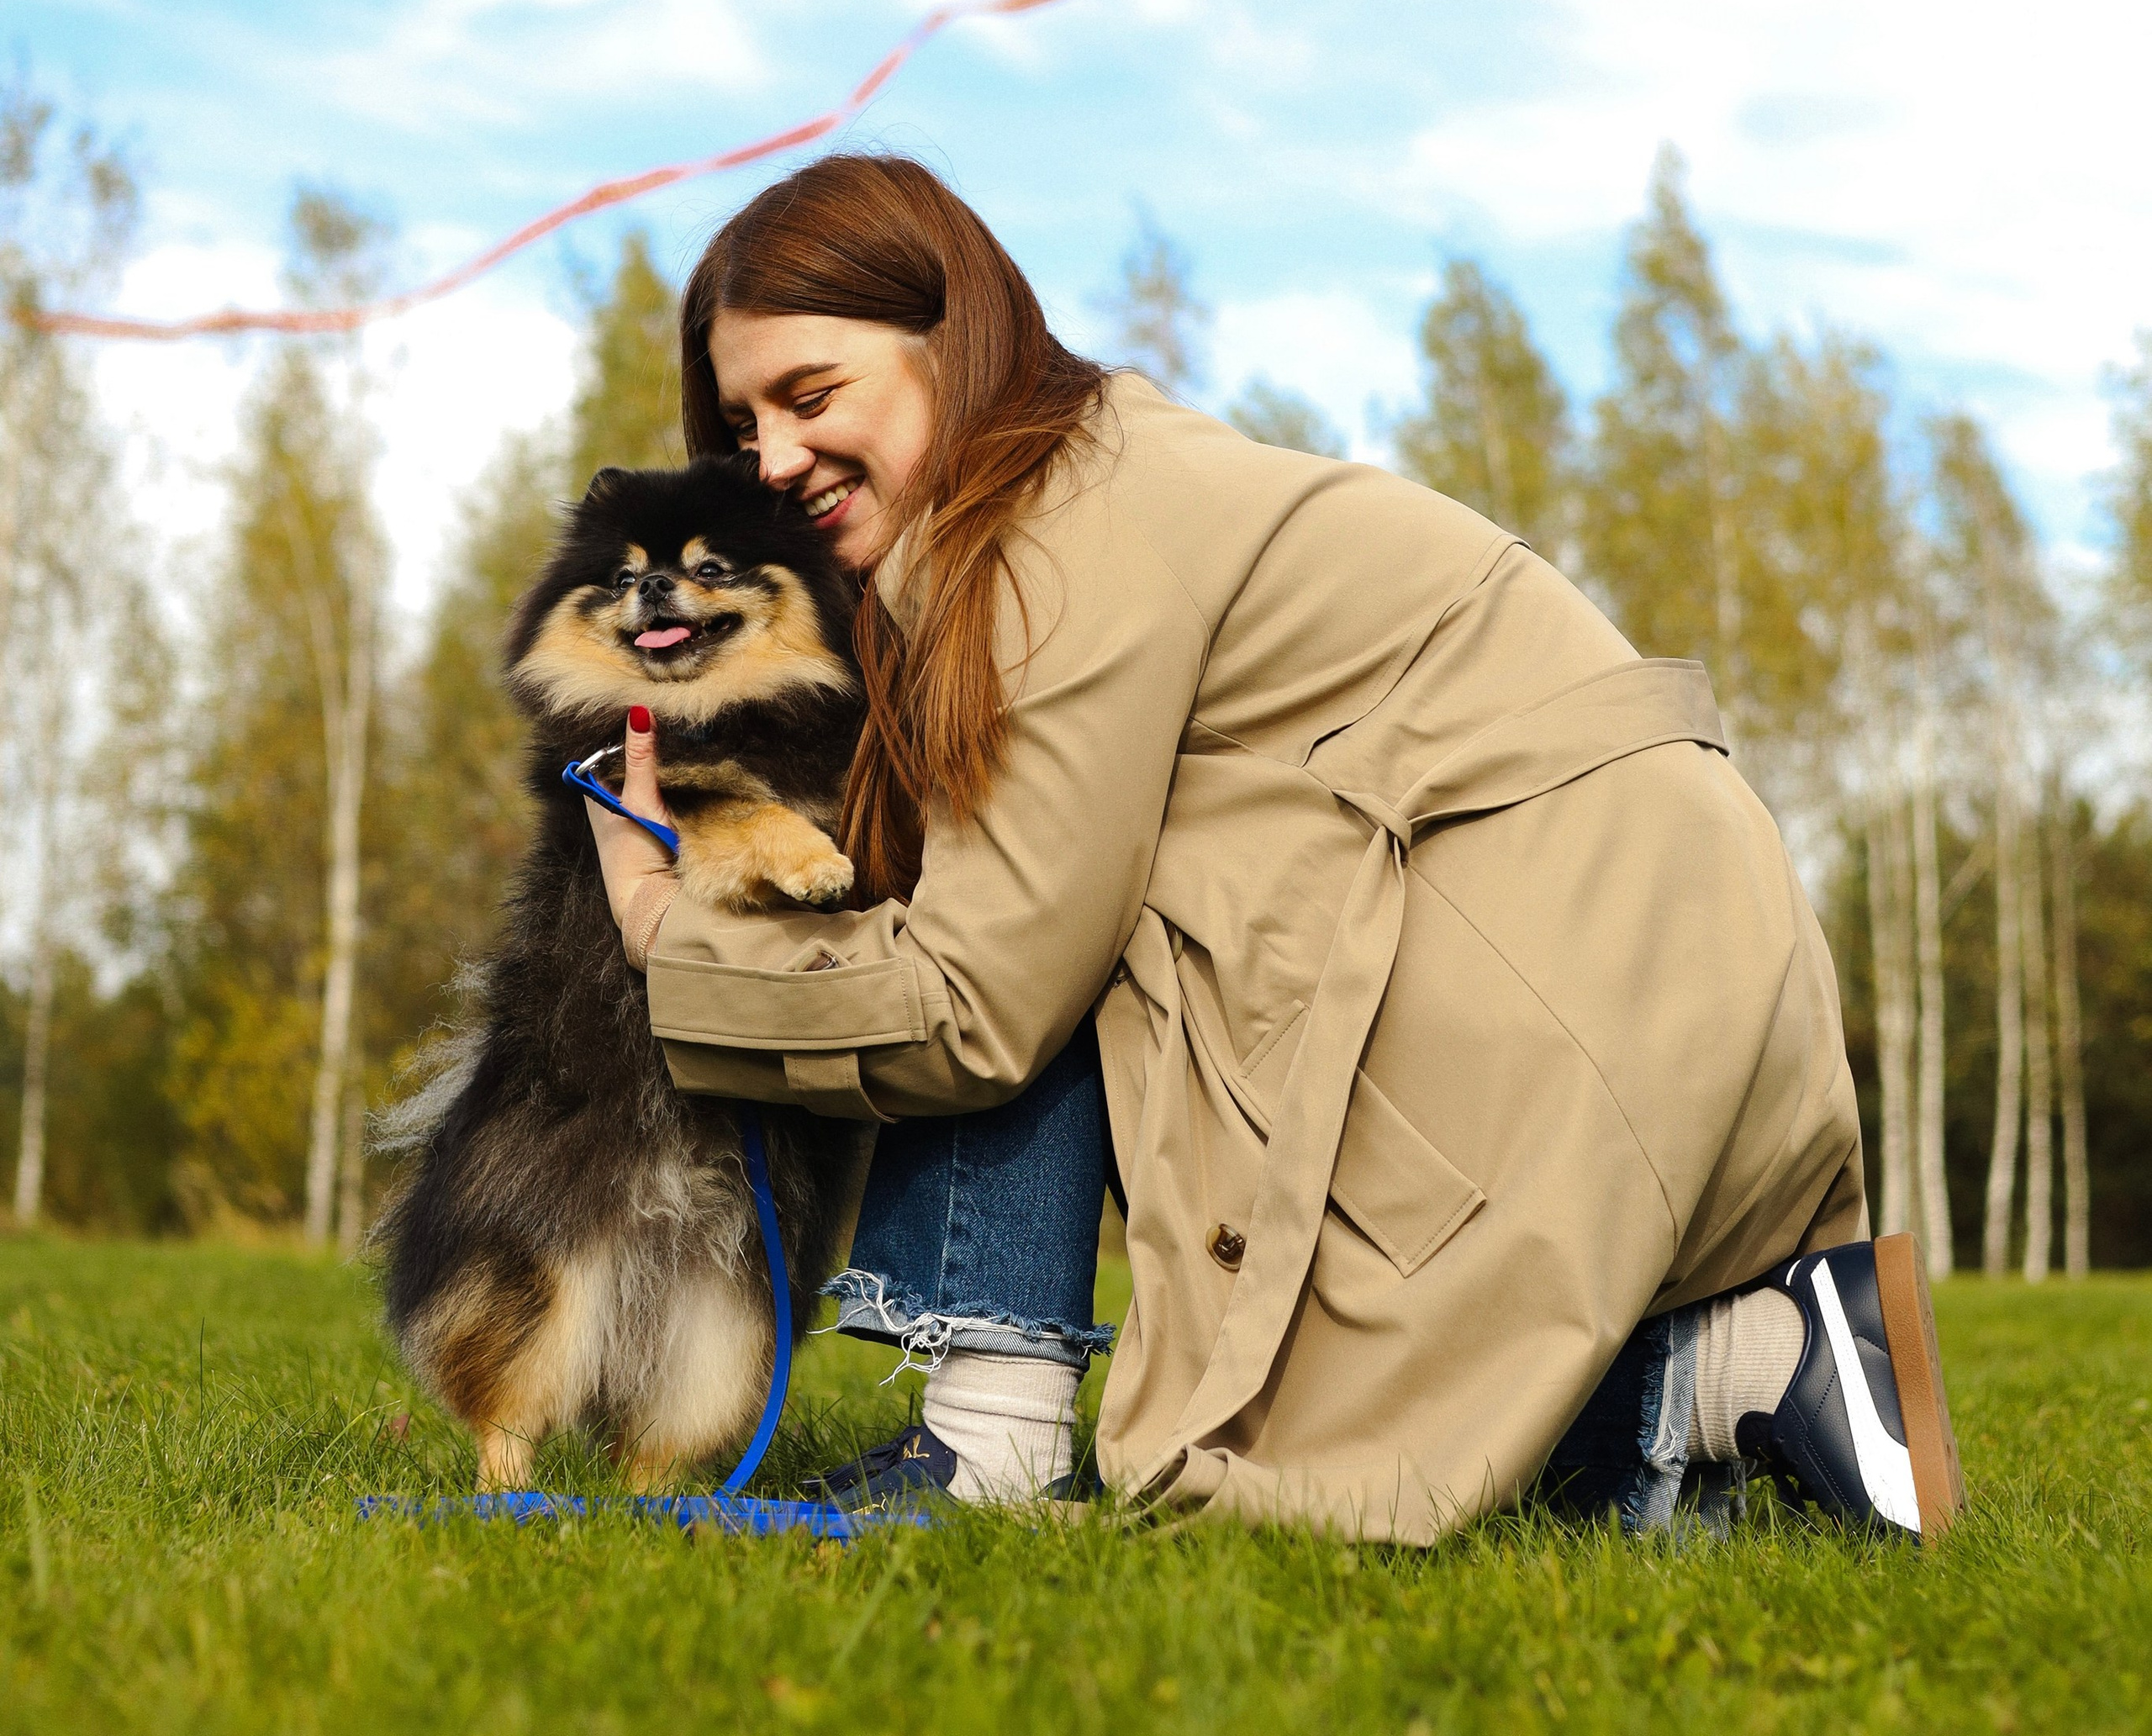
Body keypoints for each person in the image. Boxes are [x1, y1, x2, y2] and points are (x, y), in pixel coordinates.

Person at [583, 156, 1963, 1541]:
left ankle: (991, 1432)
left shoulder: (1056, 549)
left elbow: (974, 1001)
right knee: (1361, 1414)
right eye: (742, 426)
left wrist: (660, 926)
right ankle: (1746, 1374)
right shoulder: (1092, 485)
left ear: (957, 341)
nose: (771, 461)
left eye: (811, 396)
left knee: (1262, 1440)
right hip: (1638, 956)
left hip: (1554, 959)